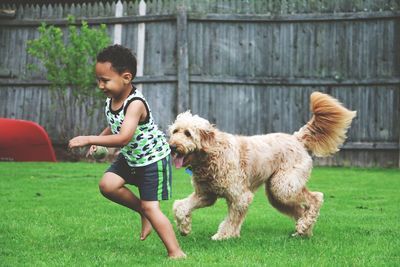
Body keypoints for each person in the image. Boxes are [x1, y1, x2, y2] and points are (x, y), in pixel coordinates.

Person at [68, 44, 186, 259]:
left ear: (126, 77)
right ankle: (141, 211)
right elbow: (115, 126)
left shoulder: (135, 104)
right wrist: (101, 141)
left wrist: (88, 139)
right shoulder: (111, 100)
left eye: (105, 80)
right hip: (132, 157)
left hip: (152, 160)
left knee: (153, 208)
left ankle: (176, 252)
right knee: (107, 185)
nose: (100, 85)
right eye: (99, 80)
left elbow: (124, 137)